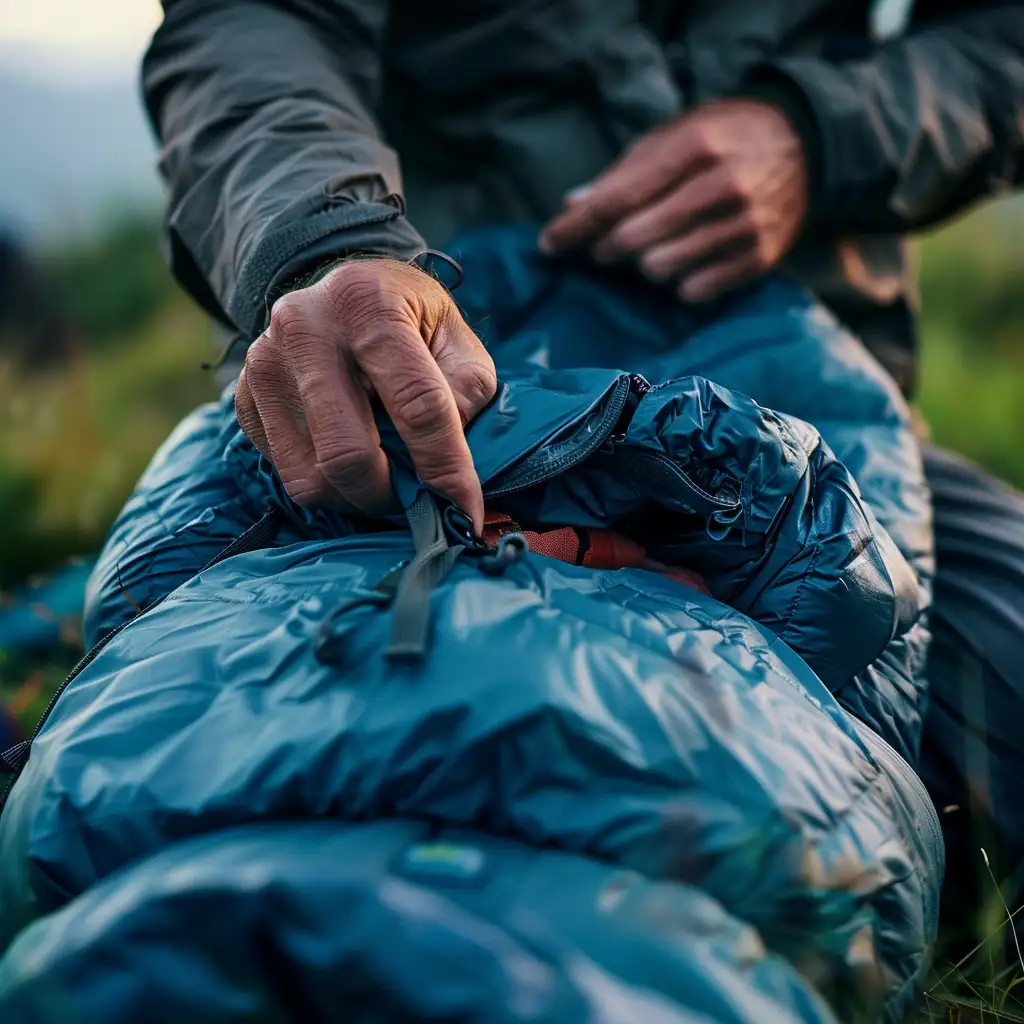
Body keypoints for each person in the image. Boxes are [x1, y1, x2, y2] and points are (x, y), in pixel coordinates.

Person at [142, 1, 1024, 924]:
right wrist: (329, 247)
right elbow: (253, 22)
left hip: (808, 427)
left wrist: (822, 132)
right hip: (432, 393)